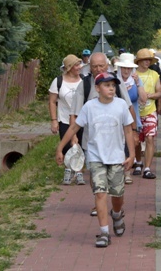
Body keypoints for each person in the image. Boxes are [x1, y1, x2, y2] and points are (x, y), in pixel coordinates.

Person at [55, 72, 135, 248]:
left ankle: (116, 213)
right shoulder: (89, 107)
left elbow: (128, 130)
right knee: (100, 193)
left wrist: (132, 155)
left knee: (117, 194)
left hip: (116, 157)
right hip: (95, 156)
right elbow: (74, 127)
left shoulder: (121, 105)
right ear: (97, 88)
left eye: (113, 85)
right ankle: (104, 232)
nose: (111, 88)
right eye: (107, 85)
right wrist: (60, 147)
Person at [71, 52, 136, 216]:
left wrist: (134, 131)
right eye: (94, 66)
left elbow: (128, 107)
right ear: (89, 67)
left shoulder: (115, 83)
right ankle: (98, 203)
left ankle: (115, 208)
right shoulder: (84, 85)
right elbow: (75, 113)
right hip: (91, 141)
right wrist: (73, 137)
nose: (98, 69)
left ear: (107, 66)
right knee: (95, 175)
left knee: (115, 182)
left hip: (115, 141)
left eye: (101, 66)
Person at [48, 54, 83, 185]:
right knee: (67, 146)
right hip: (64, 119)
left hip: (81, 119)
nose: (79, 67)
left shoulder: (83, 80)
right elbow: (52, 102)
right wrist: (54, 120)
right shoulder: (58, 82)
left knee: (79, 145)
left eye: (79, 64)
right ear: (69, 68)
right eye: (76, 65)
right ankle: (68, 169)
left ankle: (79, 171)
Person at [115, 53, 147, 184]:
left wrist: (138, 83)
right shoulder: (113, 81)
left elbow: (144, 99)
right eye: (124, 68)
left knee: (132, 144)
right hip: (116, 118)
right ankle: (119, 171)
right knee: (118, 144)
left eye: (129, 68)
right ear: (119, 68)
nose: (126, 71)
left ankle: (128, 171)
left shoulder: (135, 80)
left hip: (133, 117)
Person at [135, 48, 161, 179]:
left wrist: (150, 95)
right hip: (135, 112)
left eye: (149, 60)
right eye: (144, 60)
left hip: (150, 111)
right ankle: (138, 162)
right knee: (136, 141)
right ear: (139, 61)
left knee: (150, 138)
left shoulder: (154, 74)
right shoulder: (133, 74)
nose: (147, 62)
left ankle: (147, 168)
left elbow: (160, 92)